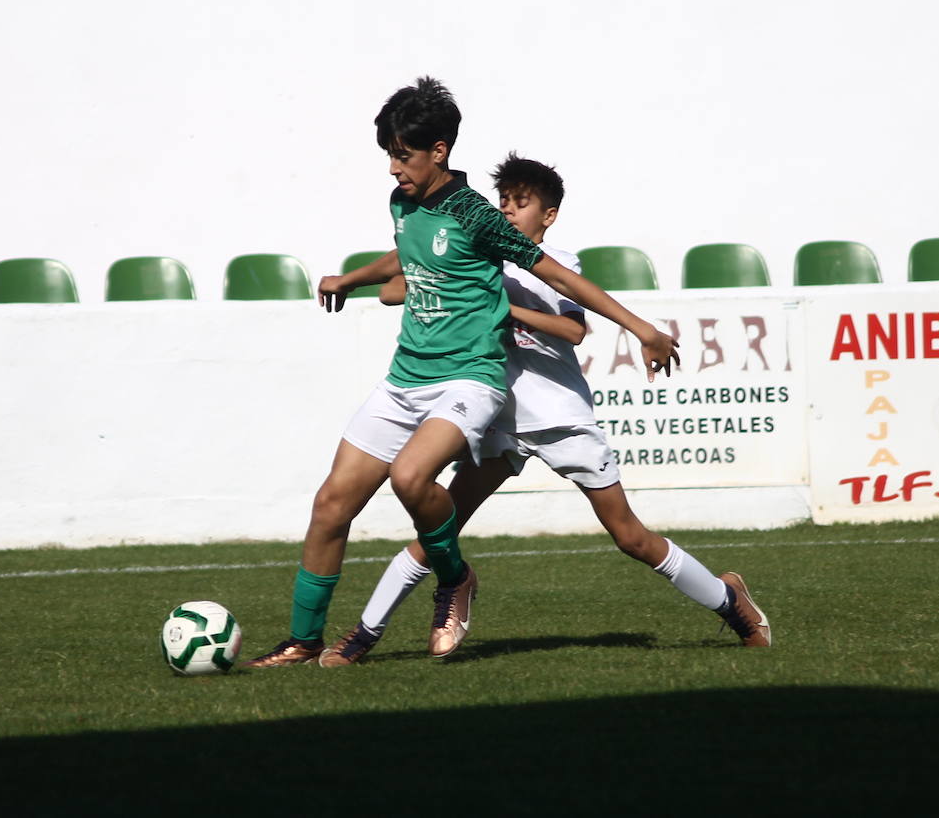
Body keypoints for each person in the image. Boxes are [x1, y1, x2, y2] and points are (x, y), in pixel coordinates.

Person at [245, 79, 680, 667]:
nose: (394, 168)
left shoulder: (479, 215)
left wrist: (641, 328)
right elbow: (410, 250)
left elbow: (558, 277)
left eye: (404, 155)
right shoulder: (403, 201)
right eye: (390, 156)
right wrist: (353, 279)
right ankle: (303, 639)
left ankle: (454, 578)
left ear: (440, 151)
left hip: (469, 378)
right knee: (330, 506)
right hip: (406, 377)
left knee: (411, 478)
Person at [316, 153, 770, 668]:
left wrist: (501, 310)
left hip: (559, 418)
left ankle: (730, 600)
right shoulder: (479, 253)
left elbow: (574, 330)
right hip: (498, 417)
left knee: (630, 536)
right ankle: (363, 636)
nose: (508, 212)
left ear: (548, 215)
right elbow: (398, 288)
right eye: (503, 202)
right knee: (438, 528)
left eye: (522, 204)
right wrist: (376, 282)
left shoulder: (560, 260)